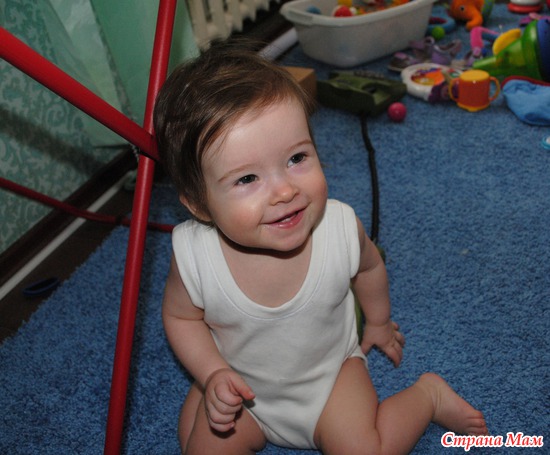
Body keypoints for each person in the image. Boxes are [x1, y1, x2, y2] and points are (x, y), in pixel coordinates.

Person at [153, 40, 488, 455]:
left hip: (331, 380)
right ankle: (206, 393)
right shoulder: (195, 256)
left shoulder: (338, 229)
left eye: (296, 158)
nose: (284, 191)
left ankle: (428, 396)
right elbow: (181, 317)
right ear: (200, 204)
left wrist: (379, 321)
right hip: (243, 390)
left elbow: (369, 268)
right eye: (247, 179)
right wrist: (212, 372)